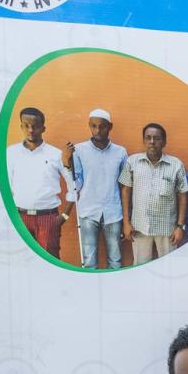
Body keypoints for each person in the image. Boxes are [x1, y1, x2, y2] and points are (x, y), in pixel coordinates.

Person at [4, 106, 75, 258]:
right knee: (20, 262)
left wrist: (64, 216)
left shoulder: (56, 154)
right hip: (19, 217)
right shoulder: (11, 153)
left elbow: (73, 187)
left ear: (43, 128)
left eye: (35, 126)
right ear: (21, 126)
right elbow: (6, 186)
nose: (30, 130)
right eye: (26, 126)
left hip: (47, 219)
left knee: (49, 263)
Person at [63, 108, 128, 270]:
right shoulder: (79, 150)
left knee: (115, 260)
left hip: (113, 212)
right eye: (93, 126)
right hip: (88, 212)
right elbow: (76, 184)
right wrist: (67, 162)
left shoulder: (120, 152)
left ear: (110, 127)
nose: (98, 130)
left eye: (102, 126)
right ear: (89, 126)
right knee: (89, 261)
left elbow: (125, 185)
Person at [120, 123, 188, 264]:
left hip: (167, 228)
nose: (152, 142)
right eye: (148, 137)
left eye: (156, 138)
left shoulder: (176, 164)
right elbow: (125, 191)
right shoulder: (132, 162)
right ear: (144, 140)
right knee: (140, 266)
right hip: (139, 226)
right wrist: (126, 223)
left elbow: (183, 195)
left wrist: (180, 226)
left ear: (164, 142)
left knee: (169, 267)